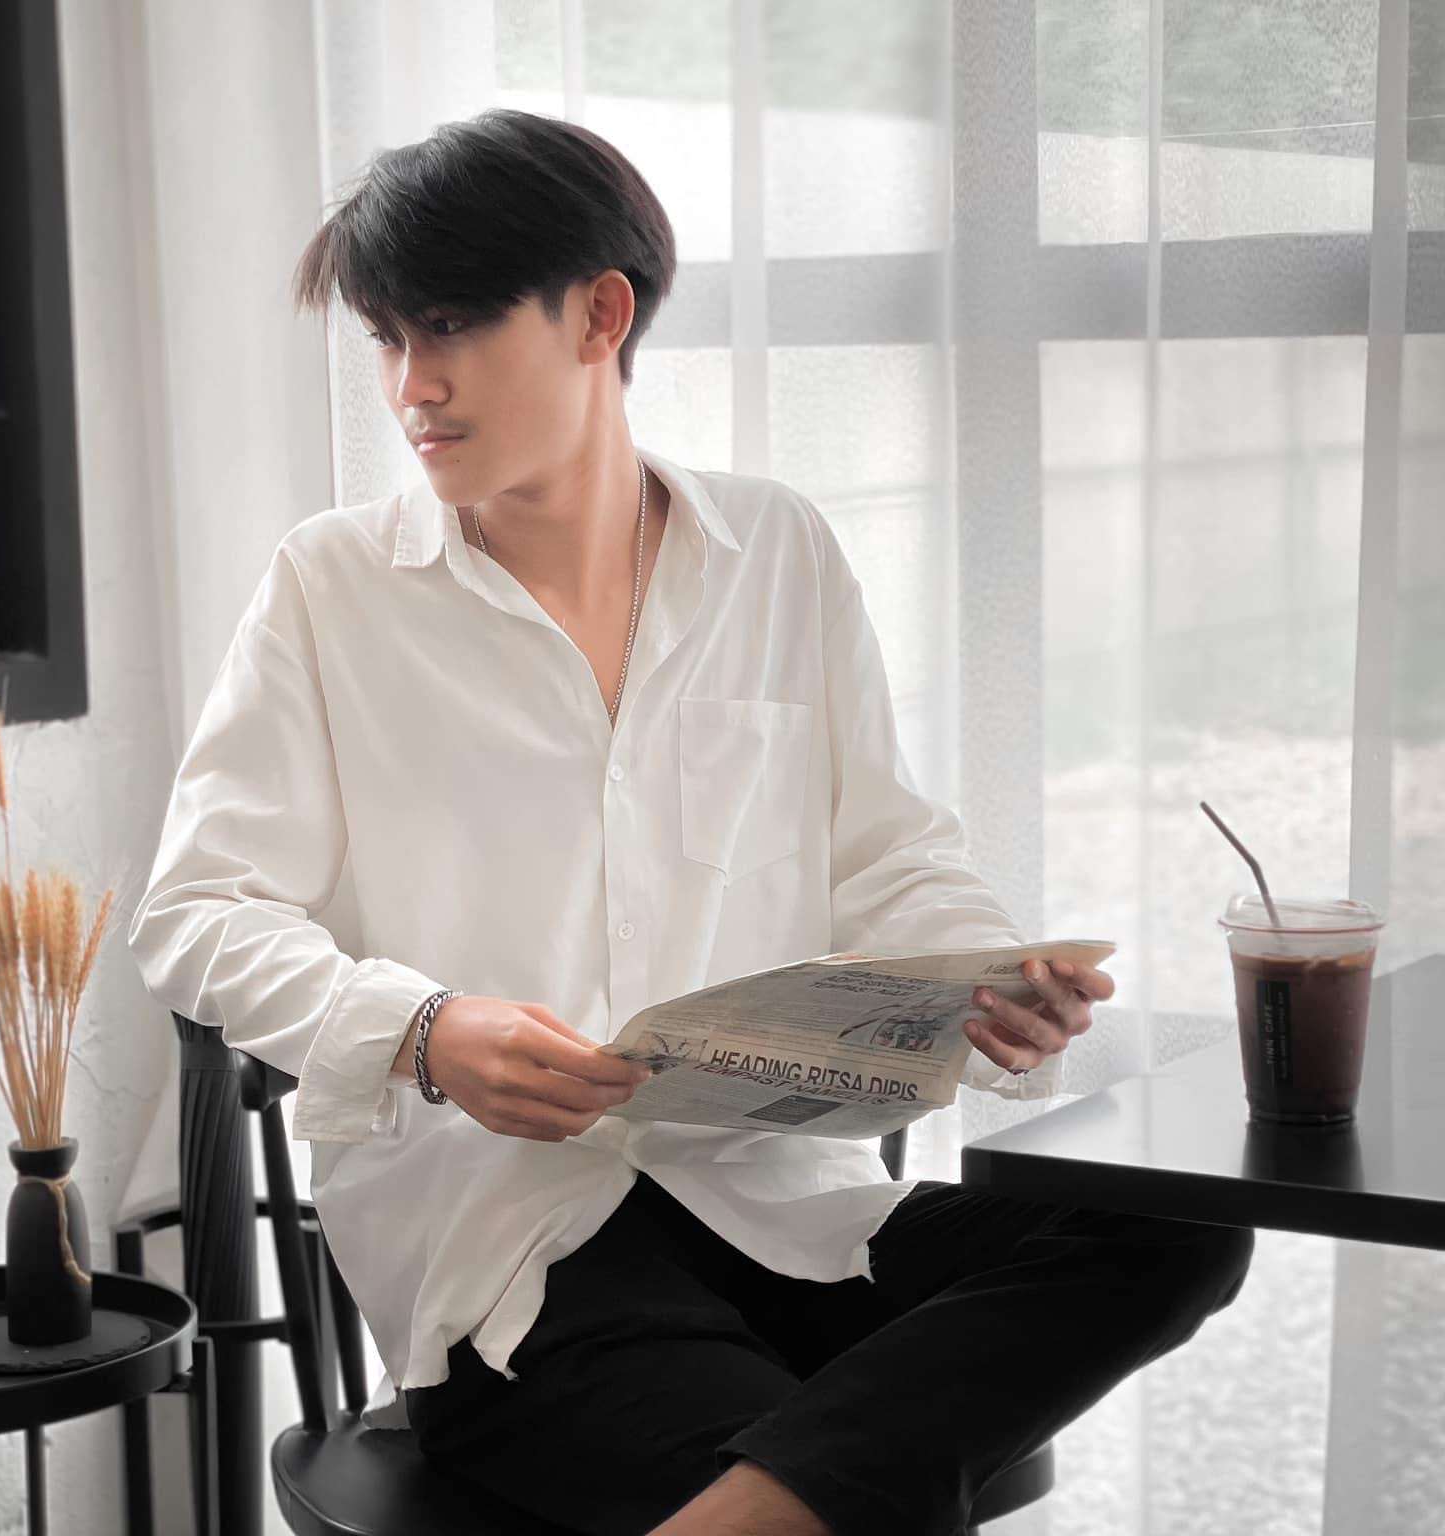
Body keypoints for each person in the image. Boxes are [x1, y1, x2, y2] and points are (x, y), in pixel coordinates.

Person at [129, 108, 1254, 1536]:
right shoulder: (329, 588)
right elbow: (197, 915)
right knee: (850, 1476)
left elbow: (889, 853)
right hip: (518, 1255)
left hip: (787, 1208)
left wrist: (980, 983)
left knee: (1176, 1219)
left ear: (601, 316)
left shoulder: (776, 550)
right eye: (388, 339)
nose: (413, 386)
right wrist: (421, 1031)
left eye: (452, 326)